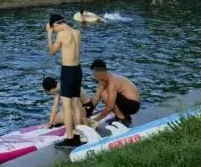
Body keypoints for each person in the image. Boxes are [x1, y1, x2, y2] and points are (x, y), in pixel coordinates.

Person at [46, 13, 84, 147]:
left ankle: (70, 138)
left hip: (67, 71)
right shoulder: (77, 32)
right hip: (78, 70)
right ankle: (80, 135)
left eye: (53, 28)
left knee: (67, 106)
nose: (54, 31)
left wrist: (49, 34)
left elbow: (51, 51)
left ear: (55, 24)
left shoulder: (62, 35)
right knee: (75, 104)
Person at [89, 59, 141, 126]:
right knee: (104, 94)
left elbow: (110, 107)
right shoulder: (103, 80)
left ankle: (122, 119)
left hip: (133, 105)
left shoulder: (112, 82)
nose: (93, 76)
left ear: (99, 72)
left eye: (94, 73)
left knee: (105, 95)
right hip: (127, 101)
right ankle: (125, 116)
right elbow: (96, 98)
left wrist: (96, 120)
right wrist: (88, 113)